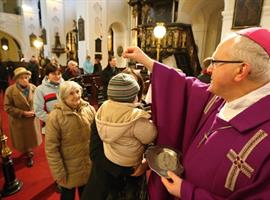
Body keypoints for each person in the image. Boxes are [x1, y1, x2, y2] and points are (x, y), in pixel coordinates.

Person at [123, 27, 270, 199]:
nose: (208, 70)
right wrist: (147, 61)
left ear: (241, 71)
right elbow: (185, 87)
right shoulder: (223, 97)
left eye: (215, 62)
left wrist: (187, 192)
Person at [82, 73, 157, 200]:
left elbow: (152, 145)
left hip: (135, 182)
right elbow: (95, 152)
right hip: (107, 180)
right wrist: (128, 170)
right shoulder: (102, 114)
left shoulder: (139, 111)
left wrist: (146, 164)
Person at [45, 81, 96, 200]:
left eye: (77, 92)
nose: (76, 96)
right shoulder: (55, 116)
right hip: (68, 169)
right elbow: (51, 148)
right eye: (71, 93)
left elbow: (96, 137)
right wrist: (59, 173)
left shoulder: (89, 109)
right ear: (63, 97)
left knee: (87, 195)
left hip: (88, 165)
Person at [4, 67, 42, 167]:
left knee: (31, 138)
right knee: (22, 139)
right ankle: (27, 153)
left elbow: (39, 101)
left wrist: (37, 110)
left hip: (32, 119)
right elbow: (7, 107)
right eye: (22, 78)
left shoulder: (34, 88)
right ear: (16, 79)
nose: (25, 80)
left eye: (26, 77)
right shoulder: (10, 90)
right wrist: (23, 113)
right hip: (19, 120)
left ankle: (29, 151)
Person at [33, 63, 63, 134]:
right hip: (51, 126)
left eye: (59, 73)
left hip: (67, 125)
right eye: (53, 74)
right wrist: (53, 120)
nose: (57, 76)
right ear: (47, 75)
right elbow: (38, 111)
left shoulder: (66, 86)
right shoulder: (40, 89)